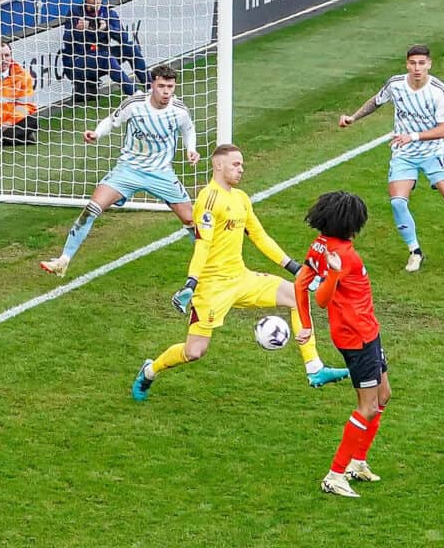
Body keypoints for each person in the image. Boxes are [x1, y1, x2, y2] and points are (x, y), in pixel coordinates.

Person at [130, 145, 350, 400]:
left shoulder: (241, 199)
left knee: (294, 295)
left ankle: (314, 368)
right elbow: (202, 245)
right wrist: (191, 284)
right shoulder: (209, 199)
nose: (241, 169)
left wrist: (295, 268)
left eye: (242, 165)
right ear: (218, 165)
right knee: (194, 352)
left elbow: (259, 236)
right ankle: (149, 371)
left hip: (240, 277)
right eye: (236, 164)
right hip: (212, 288)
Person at [40, 65, 198, 278]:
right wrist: (96, 134)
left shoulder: (179, 111)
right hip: (128, 170)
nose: (166, 91)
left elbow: (188, 130)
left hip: (161, 173)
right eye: (161, 86)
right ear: (152, 85)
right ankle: (63, 260)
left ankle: (211, 265)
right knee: (92, 208)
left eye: (170, 86)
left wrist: (191, 149)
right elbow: (111, 121)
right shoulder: (134, 104)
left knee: (191, 221)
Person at [339, 44, 444, 272]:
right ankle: (415, 252)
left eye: (421, 63)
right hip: (404, 154)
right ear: (407, 64)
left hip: (433, 152)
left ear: (429, 64)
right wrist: (353, 118)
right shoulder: (395, 84)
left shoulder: (438, 90)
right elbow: (376, 101)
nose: (417, 68)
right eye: (413, 63)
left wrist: (413, 136)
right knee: (397, 202)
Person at [294, 191, 390, 498]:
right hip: (357, 336)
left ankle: (357, 462)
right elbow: (322, 298)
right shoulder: (344, 256)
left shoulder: (320, 244)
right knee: (369, 405)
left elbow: (300, 282)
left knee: (384, 395)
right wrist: (334, 274)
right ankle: (335, 475)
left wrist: (307, 327)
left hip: (366, 332)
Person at [61, 0, 149, 101]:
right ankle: (134, 94)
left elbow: (123, 38)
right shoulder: (75, 13)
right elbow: (68, 42)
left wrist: (107, 27)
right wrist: (78, 30)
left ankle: (151, 88)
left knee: (131, 48)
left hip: (103, 59)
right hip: (78, 64)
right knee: (105, 57)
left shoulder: (108, 13)